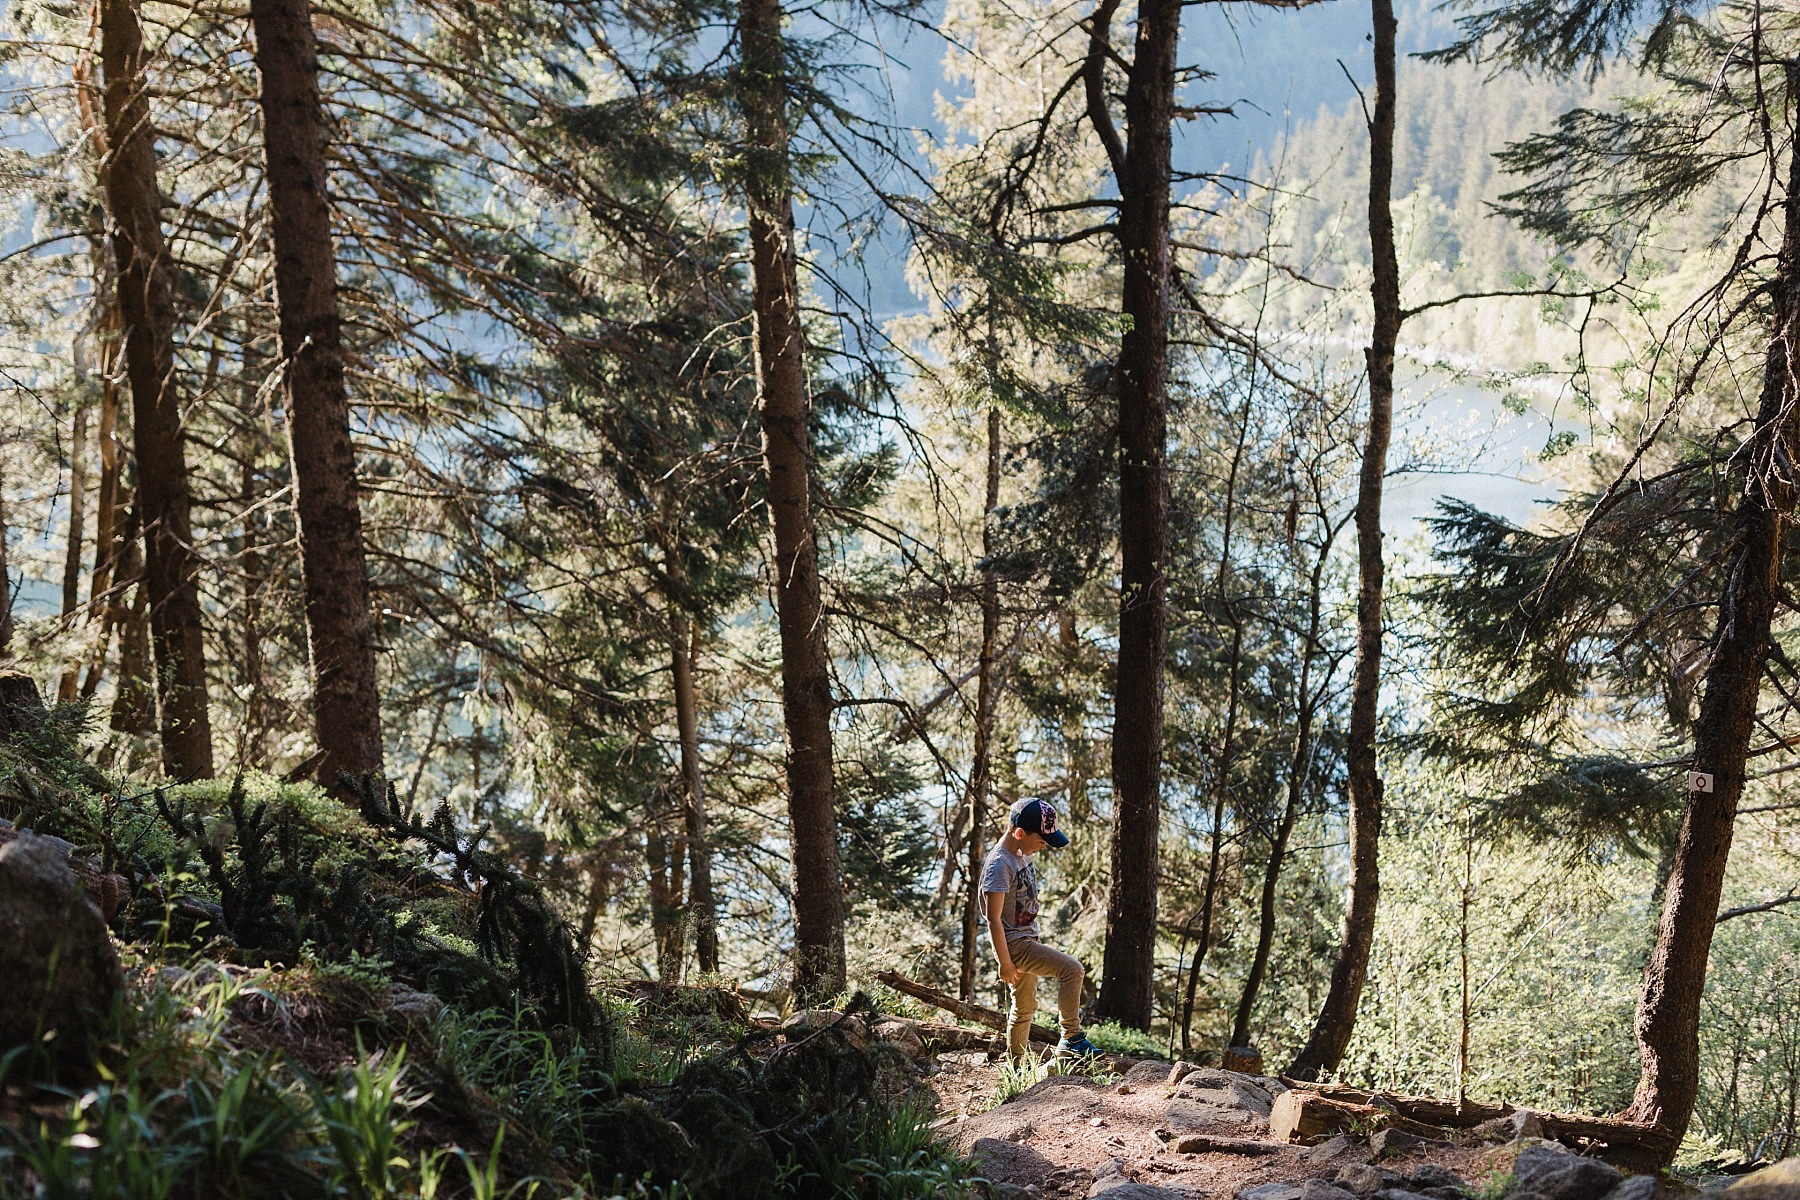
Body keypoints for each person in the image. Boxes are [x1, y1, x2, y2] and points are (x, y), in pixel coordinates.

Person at [980, 797, 1102, 1064]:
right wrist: (1004, 963)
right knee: (1072, 969)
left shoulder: (1021, 854)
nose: (1044, 847)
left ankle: (1016, 1068)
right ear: (1020, 833)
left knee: (1023, 1009)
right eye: (1042, 841)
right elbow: (993, 920)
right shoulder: (1000, 865)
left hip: (1026, 939)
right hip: (1014, 946)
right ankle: (1071, 1038)